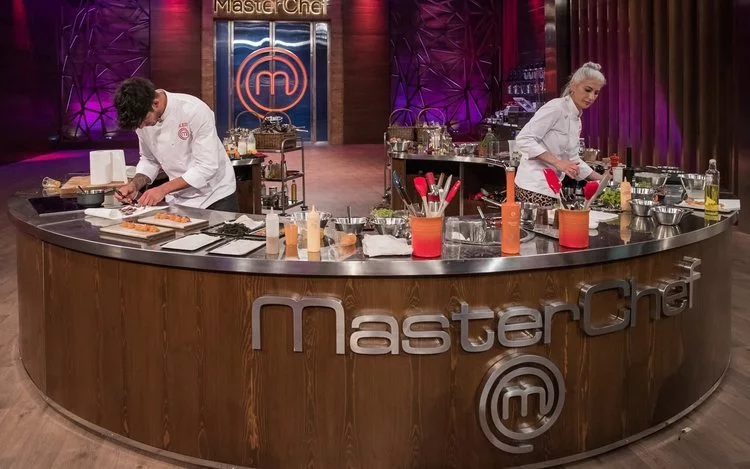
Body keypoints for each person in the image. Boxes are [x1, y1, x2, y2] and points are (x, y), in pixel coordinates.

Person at [113, 77, 239, 212]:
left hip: (215, 196)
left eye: (144, 120)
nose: (142, 126)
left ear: (155, 103)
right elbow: (149, 160)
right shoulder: (142, 119)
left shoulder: (194, 110)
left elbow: (207, 166)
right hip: (178, 198)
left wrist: (163, 189)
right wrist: (134, 185)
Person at [514, 62, 606, 206]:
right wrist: (558, 162)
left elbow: (572, 159)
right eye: (587, 90)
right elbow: (524, 139)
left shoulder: (576, 119)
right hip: (534, 186)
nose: (591, 97)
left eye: (596, 92)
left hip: (553, 187)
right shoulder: (556, 108)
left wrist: (602, 180)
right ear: (573, 86)